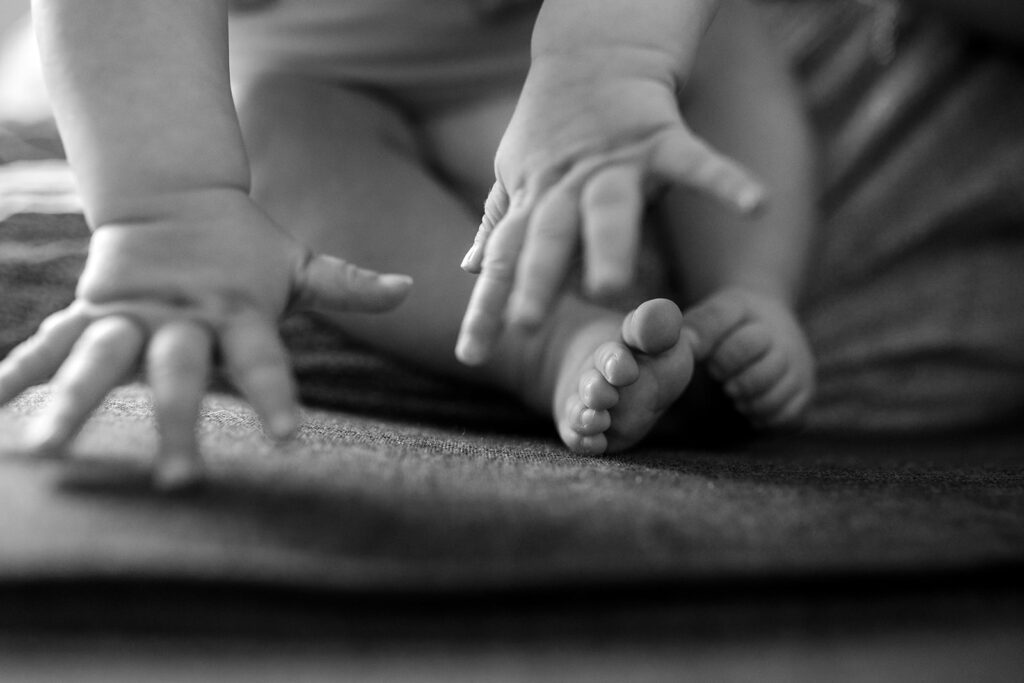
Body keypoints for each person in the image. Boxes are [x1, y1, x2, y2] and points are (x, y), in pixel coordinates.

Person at [0, 0, 815, 488]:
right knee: (276, 130)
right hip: (326, 71)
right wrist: (167, 205)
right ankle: (553, 345)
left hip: (617, 56)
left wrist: (611, 60)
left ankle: (746, 291)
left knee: (728, 39)